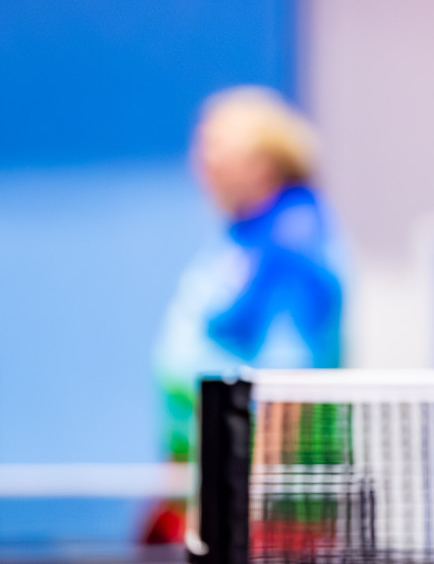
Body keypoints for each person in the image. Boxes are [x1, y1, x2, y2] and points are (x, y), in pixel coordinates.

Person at [141, 86, 345, 545]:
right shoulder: (245, 236)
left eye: (217, 148)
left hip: (260, 510)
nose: (201, 163)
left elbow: (289, 382)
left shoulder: (294, 243)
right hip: (207, 486)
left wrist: (245, 513)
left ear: (263, 163)